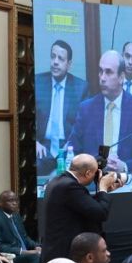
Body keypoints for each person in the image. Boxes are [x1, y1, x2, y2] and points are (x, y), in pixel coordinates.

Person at [65, 50, 132, 174]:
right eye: (101, 71)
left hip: (126, 181)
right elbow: (72, 151)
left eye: (108, 72)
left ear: (121, 77)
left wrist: (125, 166)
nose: (102, 78)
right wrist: (95, 163)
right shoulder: (86, 109)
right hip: (93, 180)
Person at [39, 153, 124, 263]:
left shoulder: (59, 180)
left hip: (56, 252)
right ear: (88, 173)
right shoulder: (69, 186)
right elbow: (100, 213)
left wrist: (104, 192)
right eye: (95, 173)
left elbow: (86, 207)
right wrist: (103, 188)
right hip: (64, 256)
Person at [35, 39, 88, 174]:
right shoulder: (38, 83)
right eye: (53, 56)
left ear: (69, 64)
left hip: (68, 148)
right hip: (43, 147)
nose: (55, 62)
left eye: (60, 58)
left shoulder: (80, 88)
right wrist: (34, 142)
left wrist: (71, 145)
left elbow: (85, 125)